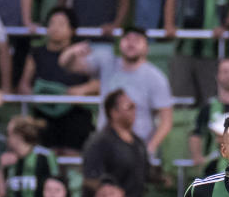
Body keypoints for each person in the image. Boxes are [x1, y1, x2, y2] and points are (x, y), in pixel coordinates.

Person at [60, 26, 174, 155]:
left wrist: (149, 148)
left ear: (147, 47)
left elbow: (166, 121)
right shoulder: (108, 64)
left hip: (136, 148)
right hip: (105, 145)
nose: (131, 44)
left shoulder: (156, 78)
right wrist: (72, 51)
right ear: (120, 43)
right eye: (127, 39)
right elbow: (66, 65)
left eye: (137, 40)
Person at [18, 7, 97, 154]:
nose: (55, 28)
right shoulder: (36, 53)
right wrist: (34, 96)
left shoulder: (81, 53)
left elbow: (97, 83)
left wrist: (82, 90)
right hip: (44, 113)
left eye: (61, 24)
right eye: (52, 23)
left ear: (72, 30)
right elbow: (24, 84)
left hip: (74, 112)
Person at [80, 90, 150, 197]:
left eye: (134, 106)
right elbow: (91, 179)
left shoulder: (138, 142)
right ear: (114, 112)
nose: (134, 111)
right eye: (130, 107)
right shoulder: (99, 142)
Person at [0, 115, 58, 197]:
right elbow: (1, 195)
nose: (7, 139)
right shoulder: (6, 160)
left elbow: (56, 187)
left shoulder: (45, 156)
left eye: (8, 134)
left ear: (18, 136)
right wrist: (0, 168)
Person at [188, 57, 229, 171]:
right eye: (224, 71)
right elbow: (196, 133)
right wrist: (197, 157)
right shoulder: (208, 108)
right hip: (212, 166)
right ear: (217, 76)